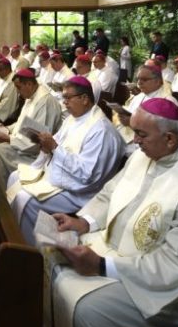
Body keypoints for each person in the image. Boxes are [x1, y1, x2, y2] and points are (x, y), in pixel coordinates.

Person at [49, 98, 178, 327]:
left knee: (88, 312)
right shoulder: (144, 156)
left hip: (175, 290)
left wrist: (103, 266)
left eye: (140, 134)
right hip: (118, 254)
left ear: (169, 138)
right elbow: (109, 194)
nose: (134, 140)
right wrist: (82, 221)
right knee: (53, 258)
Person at [8, 76, 124, 246]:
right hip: (61, 176)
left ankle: (30, 250)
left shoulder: (101, 131)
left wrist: (54, 148)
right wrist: (46, 145)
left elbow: (87, 175)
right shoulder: (72, 119)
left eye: (68, 98)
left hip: (80, 192)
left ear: (84, 99)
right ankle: (13, 234)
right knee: (14, 177)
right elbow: (56, 144)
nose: (64, 103)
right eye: (64, 98)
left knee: (27, 200)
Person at [0, 68, 64, 184]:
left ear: (29, 84)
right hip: (22, 144)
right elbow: (22, 122)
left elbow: (39, 139)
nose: (18, 92)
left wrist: (10, 139)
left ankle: (4, 191)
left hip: (35, 155)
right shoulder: (31, 97)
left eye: (19, 88)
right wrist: (7, 128)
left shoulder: (45, 102)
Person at [112, 65, 178, 147]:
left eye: (144, 79)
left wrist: (131, 123)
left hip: (148, 145)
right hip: (127, 136)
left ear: (158, 81)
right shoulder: (139, 96)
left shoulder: (168, 102)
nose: (139, 83)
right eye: (138, 79)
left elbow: (163, 134)